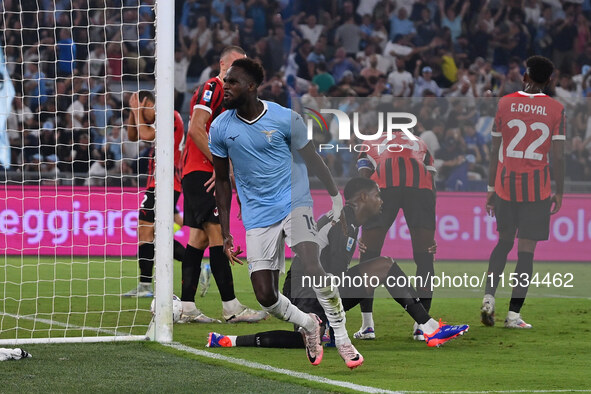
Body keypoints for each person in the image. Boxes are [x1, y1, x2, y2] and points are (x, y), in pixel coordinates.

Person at [210, 58, 363, 369]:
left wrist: (335, 197)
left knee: (311, 260)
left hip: (294, 200)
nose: (225, 88)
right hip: (256, 214)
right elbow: (223, 182)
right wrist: (226, 232)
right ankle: (309, 325)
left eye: (233, 83)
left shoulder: (284, 119)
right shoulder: (219, 127)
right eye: (225, 82)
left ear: (251, 87)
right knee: (266, 295)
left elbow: (314, 159)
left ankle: (343, 337)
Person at [206, 178, 469, 349]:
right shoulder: (341, 223)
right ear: (362, 198)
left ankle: (428, 327)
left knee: (380, 269)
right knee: (383, 267)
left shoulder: (348, 223)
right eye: (378, 195)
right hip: (305, 292)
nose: (382, 201)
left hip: (310, 290)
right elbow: (326, 271)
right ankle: (429, 328)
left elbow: (334, 273)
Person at [180, 46, 267, 324]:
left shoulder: (230, 99)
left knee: (199, 239)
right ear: (222, 65)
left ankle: (186, 306)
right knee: (218, 235)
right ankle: (231, 307)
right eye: (234, 66)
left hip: (198, 171)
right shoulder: (212, 86)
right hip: (202, 172)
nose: (237, 72)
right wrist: (222, 166)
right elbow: (195, 128)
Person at [481, 55, 565, 329]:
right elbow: (559, 156)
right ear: (549, 80)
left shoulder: (504, 103)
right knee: (526, 252)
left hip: (506, 186)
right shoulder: (556, 109)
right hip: (536, 191)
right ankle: (514, 315)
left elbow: (495, 150)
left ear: (525, 77)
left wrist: (491, 188)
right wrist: (559, 191)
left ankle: (488, 298)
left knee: (503, 243)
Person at [356, 130, 438, 341]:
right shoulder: (419, 142)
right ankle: (422, 326)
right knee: (425, 256)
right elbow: (432, 179)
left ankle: (367, 326)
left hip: (384, 184)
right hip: (421, 188)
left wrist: (362, 223)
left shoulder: (369, 141)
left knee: (369, 256)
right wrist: (431, 230)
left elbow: (363, 181)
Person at [123, 91, 186, 297]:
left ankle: (145, 286)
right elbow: (133, 135)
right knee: (153, 236)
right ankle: (195, 265)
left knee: (145, 231)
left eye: (144, 109)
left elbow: (146, 135)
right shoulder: (154, 119)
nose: (143, 115)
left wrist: (136, 111)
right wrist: (135, 113)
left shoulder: (171, 115)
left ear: (150, 104)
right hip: (157, 183)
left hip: (167, 182)